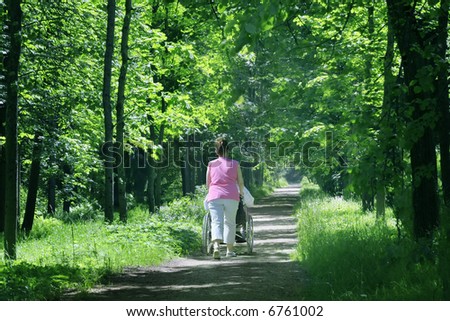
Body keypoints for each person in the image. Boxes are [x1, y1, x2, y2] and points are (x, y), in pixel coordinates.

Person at [206, 137, 244, 259]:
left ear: (216, 151)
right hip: (231, 196)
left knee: (216, 222)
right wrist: (241, 192)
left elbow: (208, 183)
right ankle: (229, 250)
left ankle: (216, 247)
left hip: (214, 195)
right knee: (230, 223)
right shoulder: (235, 164)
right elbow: (241, 182)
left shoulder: (211, 164)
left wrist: (212, 192)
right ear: (228, 150)